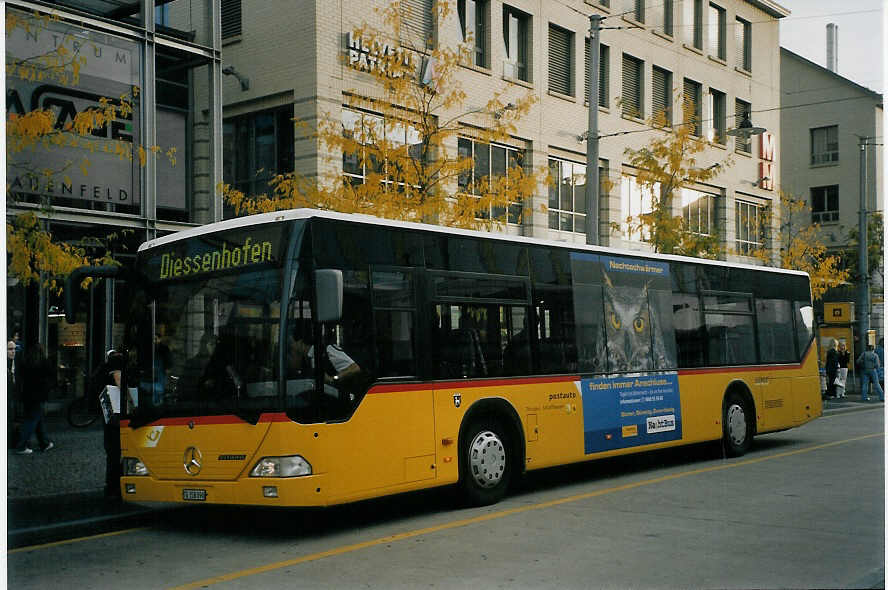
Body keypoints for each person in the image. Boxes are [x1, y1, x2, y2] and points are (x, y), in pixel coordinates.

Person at [14, 347, 55, 454]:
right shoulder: (44, 362)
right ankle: (21, 446)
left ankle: (44, 443)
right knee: (32, 420)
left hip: (27, 395)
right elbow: (50, 376)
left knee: (37, 418)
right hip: (38, 395)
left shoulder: (25, 362)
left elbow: (21, 377)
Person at [100, 350, 125, 499]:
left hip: (109, 415)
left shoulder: (104, 368)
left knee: (112, 453)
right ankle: (113, 487)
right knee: (115, 452)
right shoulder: (116, 366)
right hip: (115, 417)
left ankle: (111, 486)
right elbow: (119, 381)